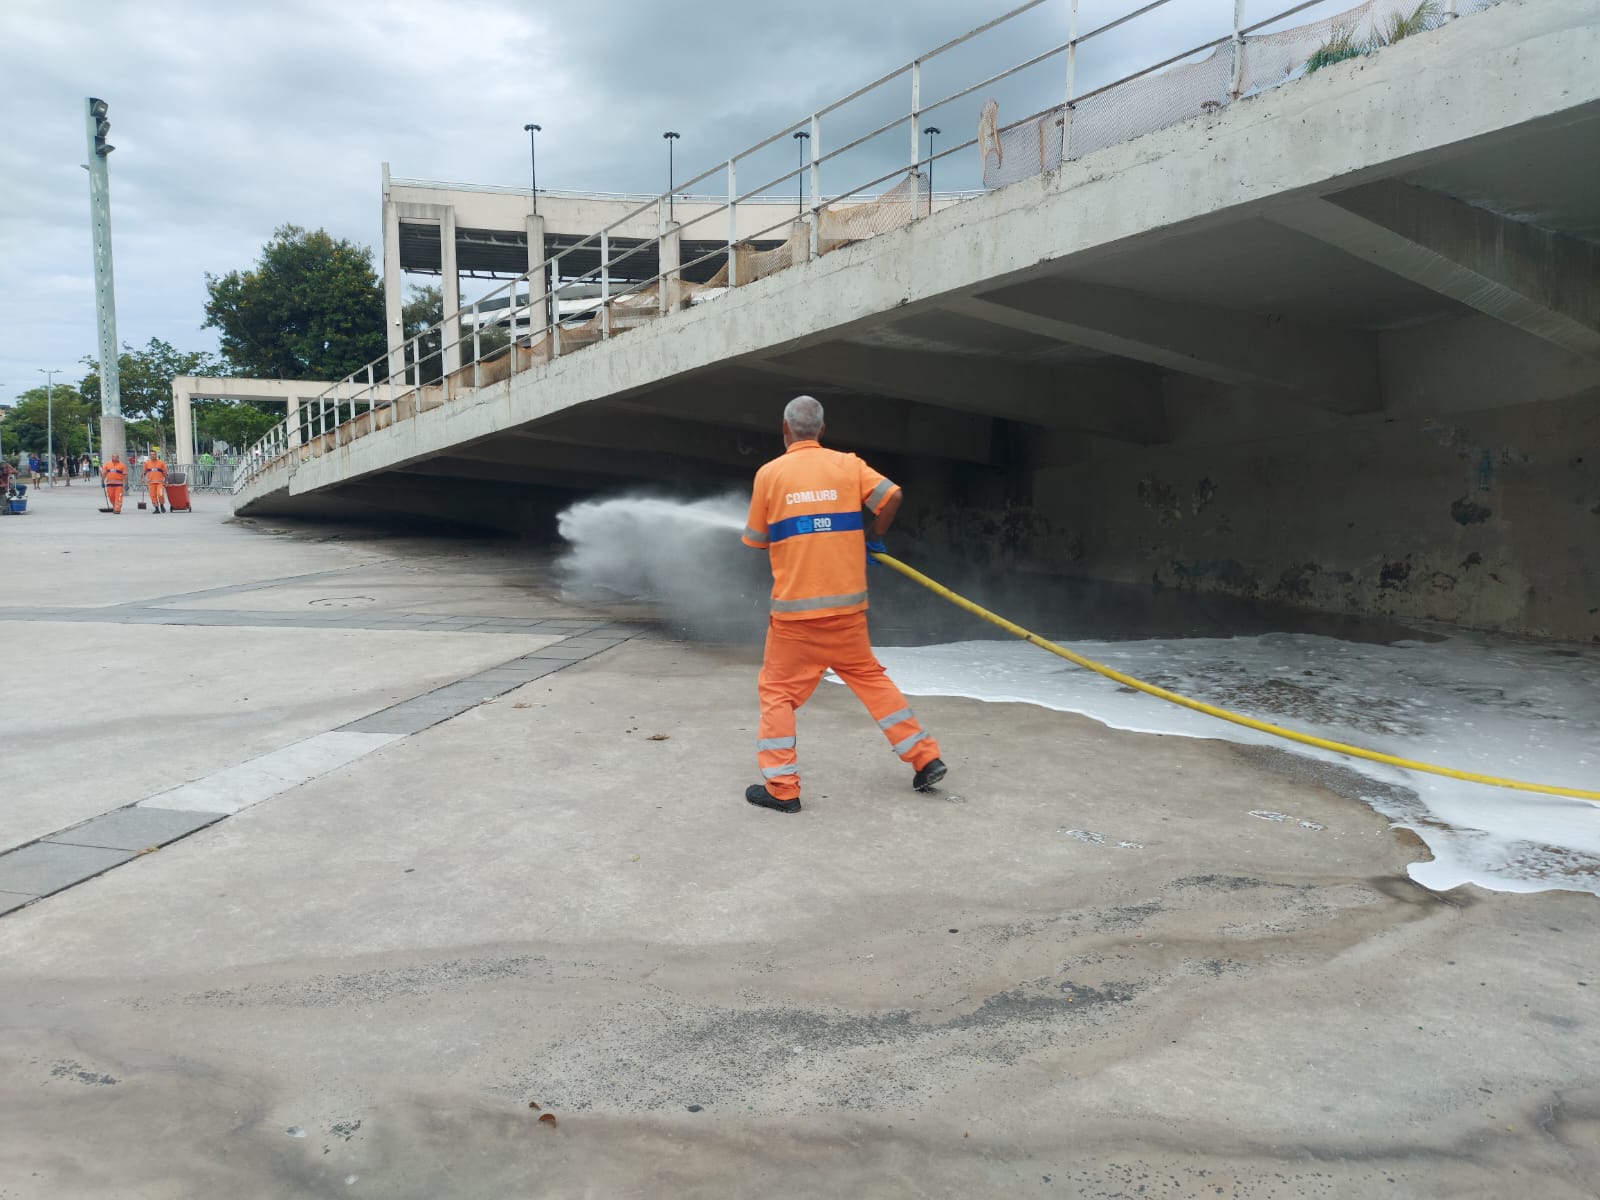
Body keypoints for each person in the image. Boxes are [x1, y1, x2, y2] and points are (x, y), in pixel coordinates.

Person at [740, 394, 946, 814]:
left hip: (795, 617)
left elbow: (757, 542)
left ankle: (782, 788)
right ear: (822, 430)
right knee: (872, 680)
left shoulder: (770, 474)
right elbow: (891, 497)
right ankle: (925, 758)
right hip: (848, 613)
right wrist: (870, 535)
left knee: (777, 694)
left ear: (784, 429)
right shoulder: (848, 465)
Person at [144, 448, 168, 513]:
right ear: (149, 456)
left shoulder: (161, 463)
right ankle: (156, 508)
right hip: (151, 483)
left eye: (154, 454)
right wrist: (142, 479)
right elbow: (144, 472)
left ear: (156, 455)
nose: (153, 456)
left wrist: (166, 481)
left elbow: (165, 473)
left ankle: (162, 505)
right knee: (153, 496)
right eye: (151, 455)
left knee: (160, 494)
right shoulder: (147, 464)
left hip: (159, 482)